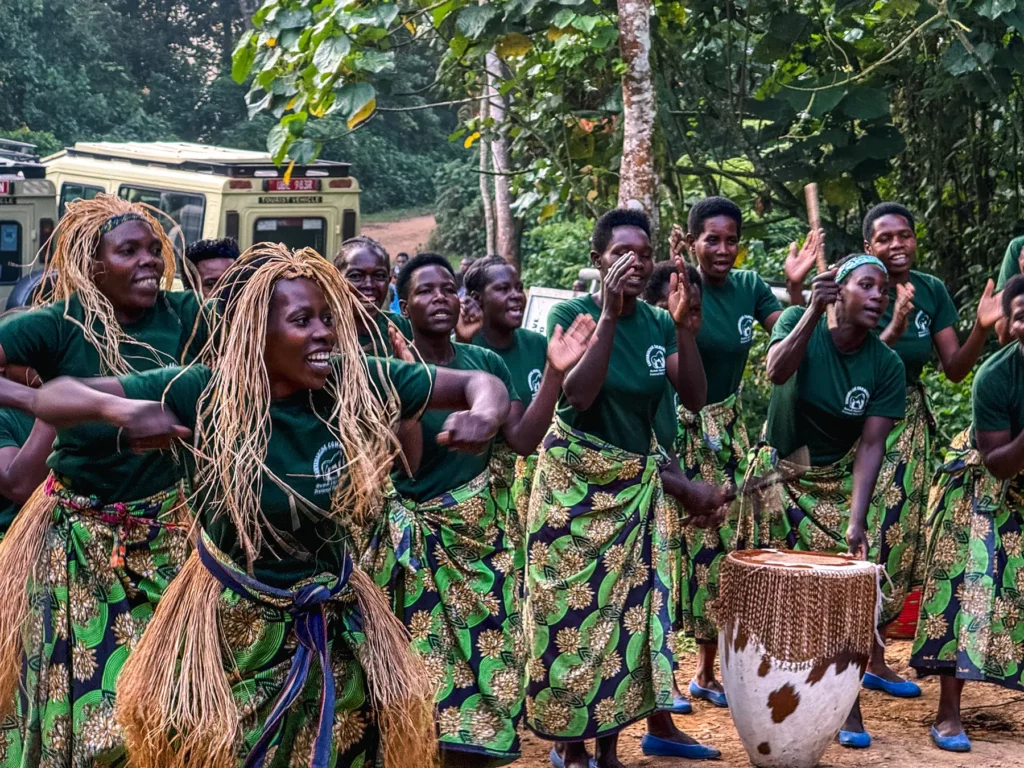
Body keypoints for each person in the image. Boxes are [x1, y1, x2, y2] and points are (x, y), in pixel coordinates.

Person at [28, 243, 515, 768]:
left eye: (327, 319)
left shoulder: (354, 379)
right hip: (231, 632)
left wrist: (484, 415)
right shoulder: (204, 392)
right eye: (302, 321)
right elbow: (54, 396)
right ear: (255, 332)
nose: (324, 333)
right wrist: (117, 409)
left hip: (333, 620)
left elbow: (481, 383)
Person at [363, 253, 594, 767]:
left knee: (492, 667)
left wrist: (554, 373)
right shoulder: (388, 370)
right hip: (414, 556)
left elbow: (524, 440)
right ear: (404, 304)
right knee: (421, 682)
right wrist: (410, 392)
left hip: (480, 549)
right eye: (425, 291)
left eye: (448, 288)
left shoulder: (485, 364)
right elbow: (408, 469)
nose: (439, 298)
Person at [0, 194, 205, 766]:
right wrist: (48, 403)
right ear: (93, 265)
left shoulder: (187, 315)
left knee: (176, 703)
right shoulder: (58, 324)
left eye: (154, 250)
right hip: (78, 545)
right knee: (97, 712)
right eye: (128, 251)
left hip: (171, 535)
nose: (148, 261)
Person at [525, 208, 720, 768]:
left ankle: (608, 748)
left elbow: (695, 397)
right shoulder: (573, 314)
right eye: (620, 254)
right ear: (598, 260)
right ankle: (570, 744)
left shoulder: (658, 324)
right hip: (573, 493)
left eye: (645, 254)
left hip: (634, 491)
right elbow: (579, 396)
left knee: (625, 617)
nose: (635, 263)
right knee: (569, 617)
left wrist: (685, 329)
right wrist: (608, 315)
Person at [740, 254, 907, 747]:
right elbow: (776, 371)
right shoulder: (797, 320)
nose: (879, 296)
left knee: (842, 594)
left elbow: (871, 445)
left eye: (883, 290)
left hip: (833, 478)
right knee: (769, 589)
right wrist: (813, 311)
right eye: (867, 286)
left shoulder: (886, 364)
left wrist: (856, 520)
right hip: (778, 472)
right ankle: (770, 696)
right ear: (839, 290)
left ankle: (845, 703)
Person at [672, 196, 817, 708]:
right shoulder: (677, 287)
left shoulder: (750, 287)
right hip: (682, 431)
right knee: (685, 544)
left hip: (731, 432)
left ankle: (710, 670)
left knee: (732, 540)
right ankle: (673, 675)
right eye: (711, 239)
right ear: (693, 241)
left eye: (731, 240)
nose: (722, 249)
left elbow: (789, 337)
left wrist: (797, 290)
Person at [863, 202, 1002, 694]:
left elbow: (955, 369)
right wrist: (895, 324)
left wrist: (981, 327)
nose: (896, 245)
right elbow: (853, 357)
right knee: (867, 530)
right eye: (885, 238)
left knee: (899, 535)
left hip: (909, 426)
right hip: (861, 420)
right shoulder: (859, 285)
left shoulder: (932, 290)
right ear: (868, 247)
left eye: (904, 235)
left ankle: (875, 653)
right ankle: (859, 654)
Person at [910, 274, 1024, 753]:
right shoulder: (994, 377)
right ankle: (948, 712)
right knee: (970, 582)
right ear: (1010, 326)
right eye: (1022, 315)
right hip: (988, 482)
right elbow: (997, 463)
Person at [462, 255, 597, 563]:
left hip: (547, 489)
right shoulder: (470, 350)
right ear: (477, 299)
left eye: (518, 287)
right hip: (490, 496)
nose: (516, 296)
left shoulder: (537, 344)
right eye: (502, 289)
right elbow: (516, 440)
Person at [645, 261, 733, 714]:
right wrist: (684, 487)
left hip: (684, 468)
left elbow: (692, 409)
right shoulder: (643, 353)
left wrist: (697, 489)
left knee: (705, 569)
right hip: (645, 481)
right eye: (675, 308)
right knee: (659, 581)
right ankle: (666, 686)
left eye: (695, 310)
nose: (686, 317)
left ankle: (698, 676)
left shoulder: (686, 349)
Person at [0, 311, 51, 542]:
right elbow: (20, 487)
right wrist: (56, 412)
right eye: (32, 350)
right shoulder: (4, 417)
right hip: (16, 542)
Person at [334, 236, 412, 355]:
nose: (369, 285)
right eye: (356, 276)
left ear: (389, 280)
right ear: (335, 280)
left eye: (379, 276)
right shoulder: (327, 332)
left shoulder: (400, 326)